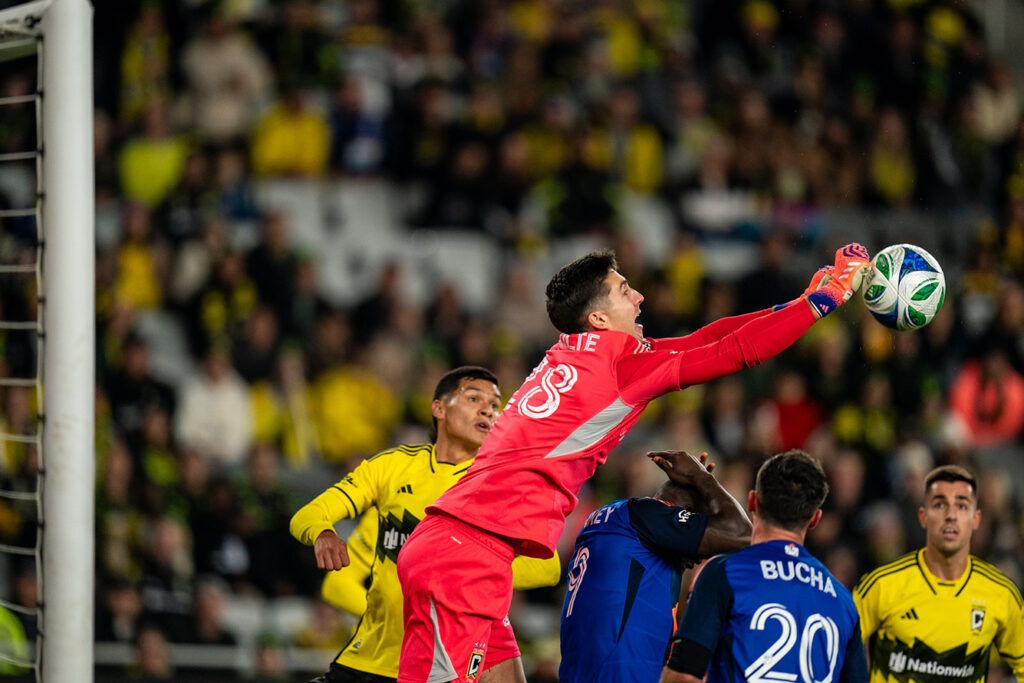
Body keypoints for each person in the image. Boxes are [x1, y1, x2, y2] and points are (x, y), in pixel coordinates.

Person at [397, 244, 874, 683]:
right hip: (464, 559)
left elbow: (707, 337)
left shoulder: (585, 353)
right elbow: (737, 353)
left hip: (466, 550)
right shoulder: (620, 367)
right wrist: (824, 301)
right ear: (600, 317)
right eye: (626, 290)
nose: (641, 297)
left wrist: (800, 300)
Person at [289, 366, 560, 683]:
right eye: (474, 398)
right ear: (439, 408)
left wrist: (465, 564)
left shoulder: (499, 483)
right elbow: (309, 513)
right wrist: (322, 532)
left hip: (441, 662)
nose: (488, 408)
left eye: (495, 404)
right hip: (368, 660)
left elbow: (548, 566)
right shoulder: (393, 465)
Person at [660, 450, 869, 683]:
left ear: (752, 501)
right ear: (815, 519)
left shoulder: (726, 574)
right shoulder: (842, 600)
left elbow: (683, 677)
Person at [559, 450, 752, 682]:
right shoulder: (644, 515)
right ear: (684, 517)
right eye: (701, 543)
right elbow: (742, 534)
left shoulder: (611, 523)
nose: (698, 557)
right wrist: (703, 479)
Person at [852, 465, 1024, 682]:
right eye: (940, 504)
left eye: (961, 506)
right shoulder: (881, 585)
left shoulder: (1002, 594)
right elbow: (833, 656)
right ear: (923, 517)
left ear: (976, 519)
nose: (950, 516)